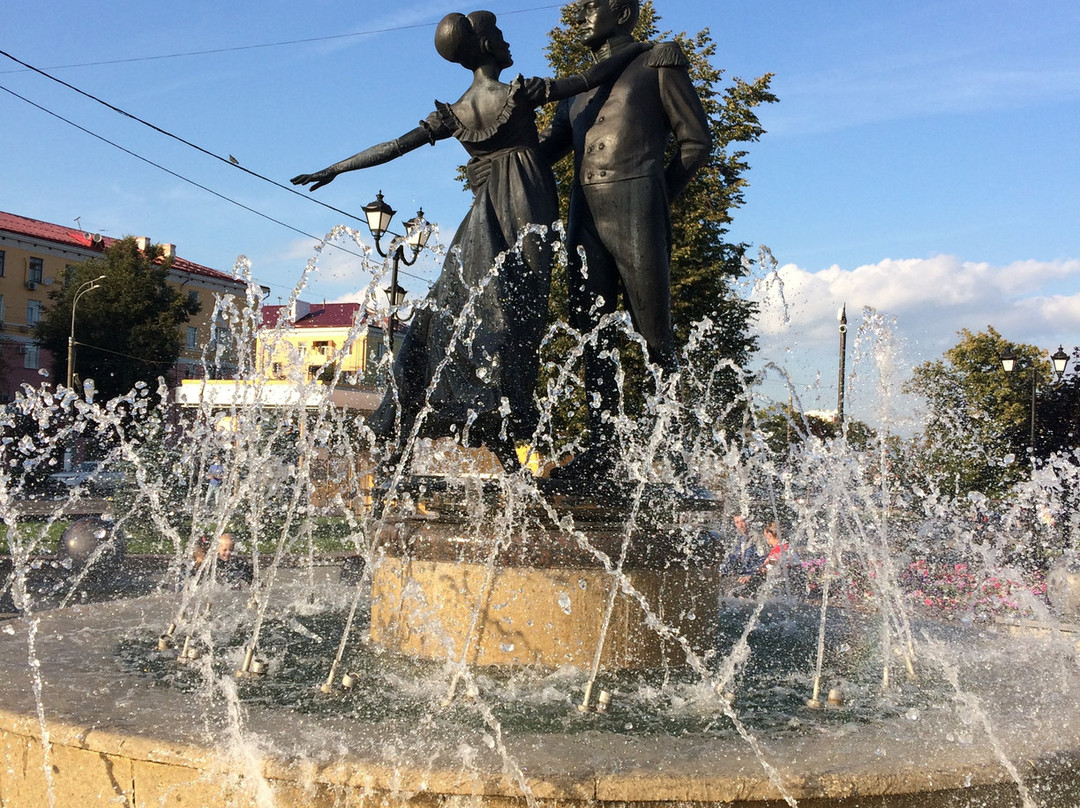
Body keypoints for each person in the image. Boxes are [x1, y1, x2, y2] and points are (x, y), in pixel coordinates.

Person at [292, 11, 649, 472]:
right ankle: (499, 426)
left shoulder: (456, 112)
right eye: (498, 35)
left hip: (485, 211)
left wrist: (336, 168)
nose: (506, 41)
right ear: (483, 47)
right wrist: (635, 49)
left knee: (465, 304)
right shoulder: (518, 94)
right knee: (516, 314)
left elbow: (394, 146)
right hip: (525, 206)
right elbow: (589, 77)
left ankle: (457, 434)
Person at [539, 0, 712, 479]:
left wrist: (656, 195)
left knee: (652, 327)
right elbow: (541, 155)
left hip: (637, 203)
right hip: (583, 216)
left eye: (592, 6)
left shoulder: (658, 60)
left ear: (620, 11)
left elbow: (696, 141)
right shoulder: (575, 94)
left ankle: (671, 447)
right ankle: (603, 446)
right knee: (589, 329)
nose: (582, 16)